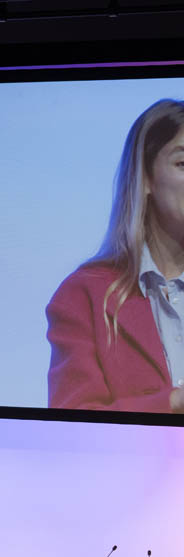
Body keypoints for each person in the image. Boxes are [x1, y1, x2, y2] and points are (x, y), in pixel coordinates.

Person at [47, 98, 184, 413]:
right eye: (183, 164)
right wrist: (173, 403)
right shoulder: (84, 295)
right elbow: (72, 420)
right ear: (145, 178)